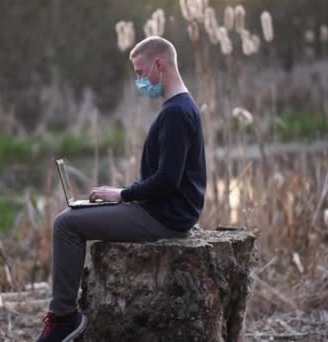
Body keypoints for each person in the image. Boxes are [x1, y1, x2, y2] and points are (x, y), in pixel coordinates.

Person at [36, 36, 206, 342]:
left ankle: (63, 319)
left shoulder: (176, 114)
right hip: (164, 211)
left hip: (166, 218)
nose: (139, 81)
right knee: (76, 215)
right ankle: (63, 316)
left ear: (159, 65)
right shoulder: (179, 107)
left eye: (141, 73)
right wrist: (123, 195)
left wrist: (123, 195)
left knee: (66, 224)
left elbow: (168, 179)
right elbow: (167, 177)